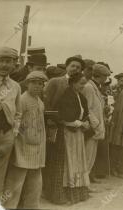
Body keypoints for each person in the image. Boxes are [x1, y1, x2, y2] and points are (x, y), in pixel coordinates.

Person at [43, 55, 85, 204]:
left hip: (70, 128)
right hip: (54, 126)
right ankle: (52, 193)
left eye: (78, 68)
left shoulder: (79, 85)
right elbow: (46, 103)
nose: (75, 69)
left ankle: (68, 191)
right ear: (67, 66)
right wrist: (50, 122)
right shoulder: (55, 82)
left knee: (67, 162)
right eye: (73, 66)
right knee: (54, 161)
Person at [3, 71, 48, 209]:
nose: (37, 86)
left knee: (35, 180)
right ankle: (8, 206)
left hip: (37, 146)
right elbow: (16, 120)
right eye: (34, 83)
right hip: (23, 145)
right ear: (27, 84)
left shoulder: (39, 101)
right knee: (16, 179)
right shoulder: (22, 99)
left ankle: (31, 205)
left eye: (40, 84)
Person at [57, 72, 90, 204]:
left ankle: (78, 189)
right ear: (73, 83)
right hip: (68, 133)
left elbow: (85, 114)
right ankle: (68, 191)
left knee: (78, 160)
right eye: (81, 83)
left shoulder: (81, 97)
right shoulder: (66, 97)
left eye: (84, 83)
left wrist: (86, 123)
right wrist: (81, 123)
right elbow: (65, 118)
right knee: (70, 161)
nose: (83, 85)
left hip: (78, 134)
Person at [0, 47, 22, 200]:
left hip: (6, 136)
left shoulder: (15, 86)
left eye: (8, 61)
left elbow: (18, 112)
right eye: (1, 61)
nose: (4, 65)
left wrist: (14, 132)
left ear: (14, 64)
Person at [82, 64, 110, 182]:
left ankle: (86, 182)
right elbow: (86, 108)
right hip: (92, 128)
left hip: (96, 128)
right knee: (87, 157)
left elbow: (95, 107)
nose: (106, 79)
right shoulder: (89, 87)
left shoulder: (95, 87)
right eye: (105, 76)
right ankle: (83, 183)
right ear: (100, 76)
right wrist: (96, 124)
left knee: (91, 157)